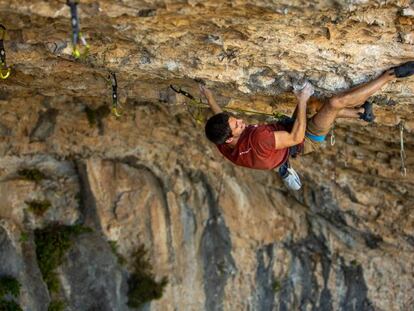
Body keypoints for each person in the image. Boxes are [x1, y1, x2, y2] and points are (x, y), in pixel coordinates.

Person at [200, 62, 414, 190]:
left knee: (316, 108)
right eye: (237, 125)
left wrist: (208, 96)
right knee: (333, 103)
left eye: (235, 119)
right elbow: (296, 136)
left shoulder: (222, 140)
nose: (240, 121)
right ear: (231, 138)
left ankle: (361, 113)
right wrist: (301, 98)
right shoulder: (258, 139)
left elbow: (220, 117)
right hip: (304, 140)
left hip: (277, 143)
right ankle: (391, 75)